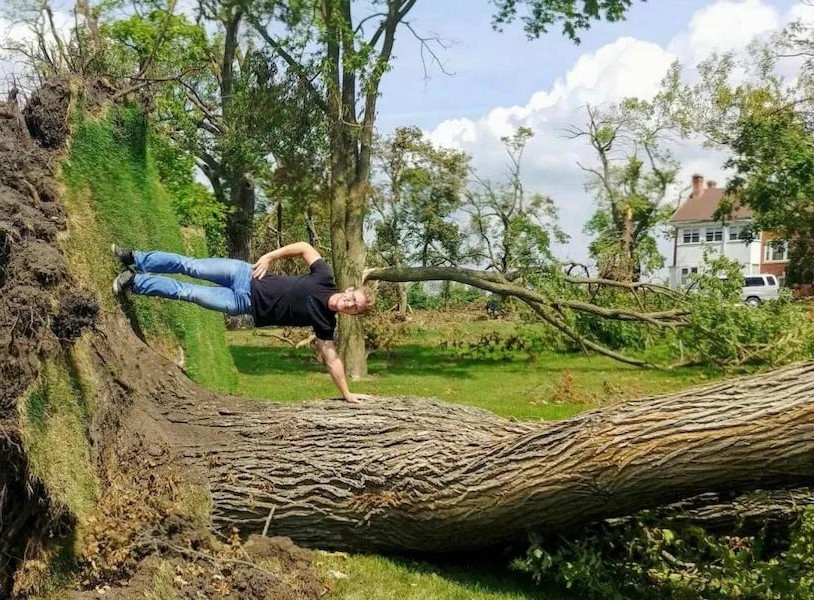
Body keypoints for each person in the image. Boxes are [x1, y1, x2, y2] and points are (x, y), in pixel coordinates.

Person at [111, 241, 373, 403]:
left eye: (354, 308)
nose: (349, 304)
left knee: (186, 292)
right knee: (188, 265)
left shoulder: (325, 323)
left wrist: (347, 394)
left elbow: (332, 358)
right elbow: (305, 247)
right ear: (349, 289)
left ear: (353, 315)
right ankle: (134, 258)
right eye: (352, 298)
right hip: (244, 273)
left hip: (241, 304)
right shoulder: (325, 277)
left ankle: (134, 282)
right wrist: (270, 256)